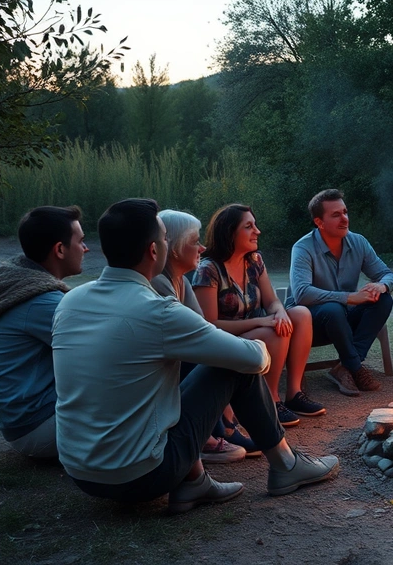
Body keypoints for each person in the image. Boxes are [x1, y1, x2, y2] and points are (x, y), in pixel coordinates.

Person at [53, 198, 338, 513]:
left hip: (79, 470)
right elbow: (253, 360)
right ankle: (285, 464)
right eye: (164, 238)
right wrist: (257, 343)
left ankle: (195, 483)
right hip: (139, 475)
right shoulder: (158, 310)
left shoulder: (70, 302)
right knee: (235, 363)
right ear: (154, 251)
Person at [193, 204, 323, 426]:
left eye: (255, 225)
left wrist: (280, 312)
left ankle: (293, 393)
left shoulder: (253, 261)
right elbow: (210, 325)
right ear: (230, 232)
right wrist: (264, 321)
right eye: (249, 226)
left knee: (300, 314)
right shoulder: (209, 270)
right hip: (226, 339)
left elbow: (271, 301)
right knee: (275, 332)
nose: (257, 231)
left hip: (258, 331)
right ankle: (270, 400)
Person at [0, 205, 88, 459]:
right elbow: (103, 350)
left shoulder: (23, 288)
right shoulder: (39, 302)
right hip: (40, 428)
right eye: (81, 241)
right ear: (59, 249)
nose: (86, 248)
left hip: (25, 424)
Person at [151, 209, 249, 464]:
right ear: (174, 248)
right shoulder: (160, 284)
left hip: (177, 367)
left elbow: (204, 328)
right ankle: (211, 436)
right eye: (195, 242)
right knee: (221, 358)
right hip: (163, 378)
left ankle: (225, 426)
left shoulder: (179, 280)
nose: (202, 248)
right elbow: (196, 339)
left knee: (224, 352)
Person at [288, 189, 393, 396]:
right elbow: (302, 294)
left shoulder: (358, 242)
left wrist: (380, 286)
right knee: (333, 308)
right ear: (319, 222)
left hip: (344, 319)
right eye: (336, 215)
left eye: (345, 212)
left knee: (383, 299)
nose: (344, 219)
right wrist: (348, 297)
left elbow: (387, 274)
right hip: (310, 324)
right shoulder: (303, 248)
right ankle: (355, 367)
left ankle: (345, 367)